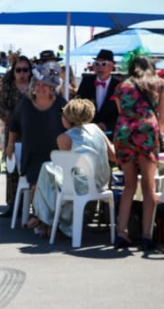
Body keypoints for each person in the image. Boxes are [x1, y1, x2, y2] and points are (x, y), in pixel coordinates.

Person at [32, 98, 115, 237]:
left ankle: (44, 220)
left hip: (81, 186)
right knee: (49, 171)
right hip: (102, 182)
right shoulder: (97, 129)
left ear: (67, 118)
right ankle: (44, 221)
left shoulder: (64, 138)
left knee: (47, 170)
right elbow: (113, 156)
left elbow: (65, 170)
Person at [112, 53, 164, 251]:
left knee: (129, 185)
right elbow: (161, 118)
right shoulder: (159, 84)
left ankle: (122, 233)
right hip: (147, 134)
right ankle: (146, 235)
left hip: (124, 134)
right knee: (149, 187)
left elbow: (122, 112)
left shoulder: (121, 87)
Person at [7, 62, 64, 228]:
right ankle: (42, 219)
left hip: (56, 157)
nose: (40, 88)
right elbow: (13, 124)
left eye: (44, 85)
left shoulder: (61, 104)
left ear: (52, 87)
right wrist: (10, 144)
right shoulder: (25, 105)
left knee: (55, 180)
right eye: (37, 84)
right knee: (37, 182)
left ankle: (42, 219)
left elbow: (71, 126)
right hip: (32, 158)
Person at [0, 55, 32, 216]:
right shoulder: (8, 86)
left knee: (29, 168)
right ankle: (12, 204)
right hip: (12, 133)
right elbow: (1, 108)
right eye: (18, 70)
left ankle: (29, 204)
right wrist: (16, 120)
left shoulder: (35, 86)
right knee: (12, 169)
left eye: (25, 70)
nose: (22, 74)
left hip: (32, 133)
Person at [76, 49, 120, 136]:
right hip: (87, 131)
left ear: (111, 66)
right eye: (96, 64)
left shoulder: (118, 85)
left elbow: (120, 112)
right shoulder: (86, 81)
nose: (100, 67)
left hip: (110, 133)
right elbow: (78, 103)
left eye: (104, 64)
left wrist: (106, 125)